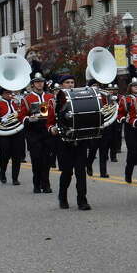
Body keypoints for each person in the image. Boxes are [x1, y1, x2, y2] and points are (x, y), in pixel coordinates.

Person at [48, 74, 91, 210]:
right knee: (67, 172)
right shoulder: (51, 102)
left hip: (79, 140)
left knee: (80, 172)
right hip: (63, 141)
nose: (71, 84)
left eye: (72, 82)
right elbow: (46, 121)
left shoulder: (80, 98)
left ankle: (82, 200)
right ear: (61, 85)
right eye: (67, 82)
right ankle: (63, 197)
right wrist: (51, 128)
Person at [22, 72, 55, 194]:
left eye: (41, 81)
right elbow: (21, 116)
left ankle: (46, 184)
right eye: (37, 82)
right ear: (33, 84)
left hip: (46, 130)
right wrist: (29, 119)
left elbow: (54, 113)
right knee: (36, 160)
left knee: (46, 160)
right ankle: (36, 184)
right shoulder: (27, 98)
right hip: (33, 132)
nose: (39, 84)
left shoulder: (50, 97)